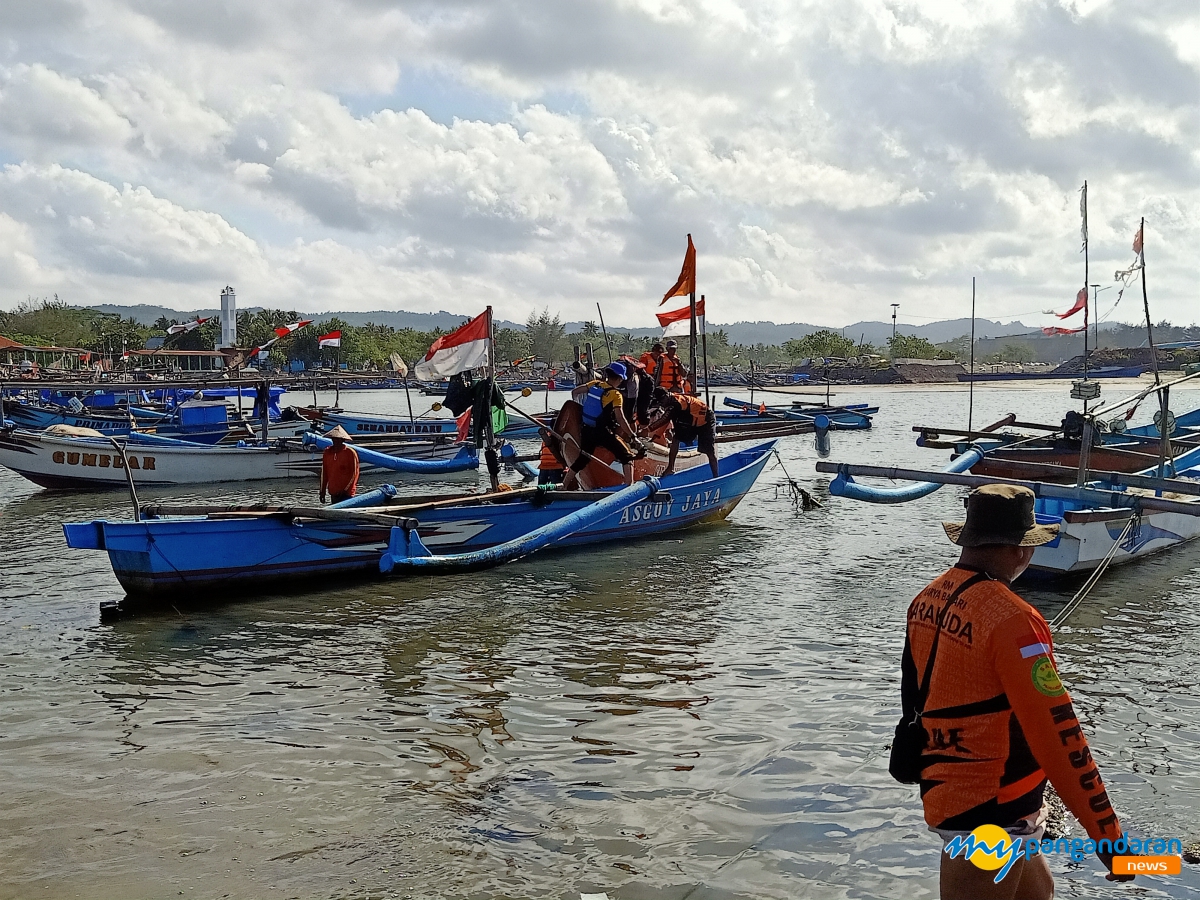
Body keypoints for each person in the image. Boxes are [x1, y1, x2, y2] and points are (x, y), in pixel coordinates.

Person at [902, 485, 1131, 899]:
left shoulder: (926, 599)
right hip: (991, 810)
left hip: (947, 786)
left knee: (1038, 893)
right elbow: (1060, 734)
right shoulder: (1014, 621)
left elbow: (913, 697)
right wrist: (1109, 839)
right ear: (1021, 550)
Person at [565, 362, 640, 486]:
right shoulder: (615, 395)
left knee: (582, 459)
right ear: (620, 378)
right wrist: (633, 436)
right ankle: (629, 487)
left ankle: (564, 485)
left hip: (587, 430)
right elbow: (620, 418)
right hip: (603, 433)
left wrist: (578, 406)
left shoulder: (595, 384)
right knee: (627, 456)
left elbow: (575, 392)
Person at [649, 388, 718, 477]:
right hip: (691, 421)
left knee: (709, 451)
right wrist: (656, 436)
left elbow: (664, 420)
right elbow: (666, 422)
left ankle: (716, 476)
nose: (661, 404)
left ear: (666, 396)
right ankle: (670, 468)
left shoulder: (676, 403)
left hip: (706, 420)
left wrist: (647, 430)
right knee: (676, 438)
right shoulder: (669, 404)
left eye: (661, 401)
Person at [319, 425, 360, 504]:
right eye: (334, 439)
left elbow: (354, 474)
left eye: (338, 439)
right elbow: (324, 473)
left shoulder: (350, 453)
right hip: (334, 493)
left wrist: (345, 490)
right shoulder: (327, 453)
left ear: (342, 440)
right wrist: (322, 491)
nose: (336, 442)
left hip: (347, 494)